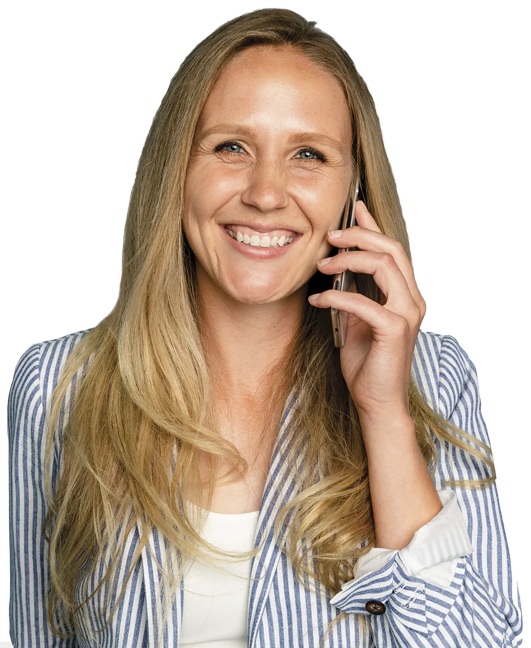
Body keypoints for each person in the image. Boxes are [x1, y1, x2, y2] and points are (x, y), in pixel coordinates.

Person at [7, 6, 523, 648]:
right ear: (176, 169)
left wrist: (384, 414)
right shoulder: (60, 386)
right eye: (231, 147)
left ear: (353, 191)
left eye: (308, 154)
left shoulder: (433, 379)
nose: (266, 193)